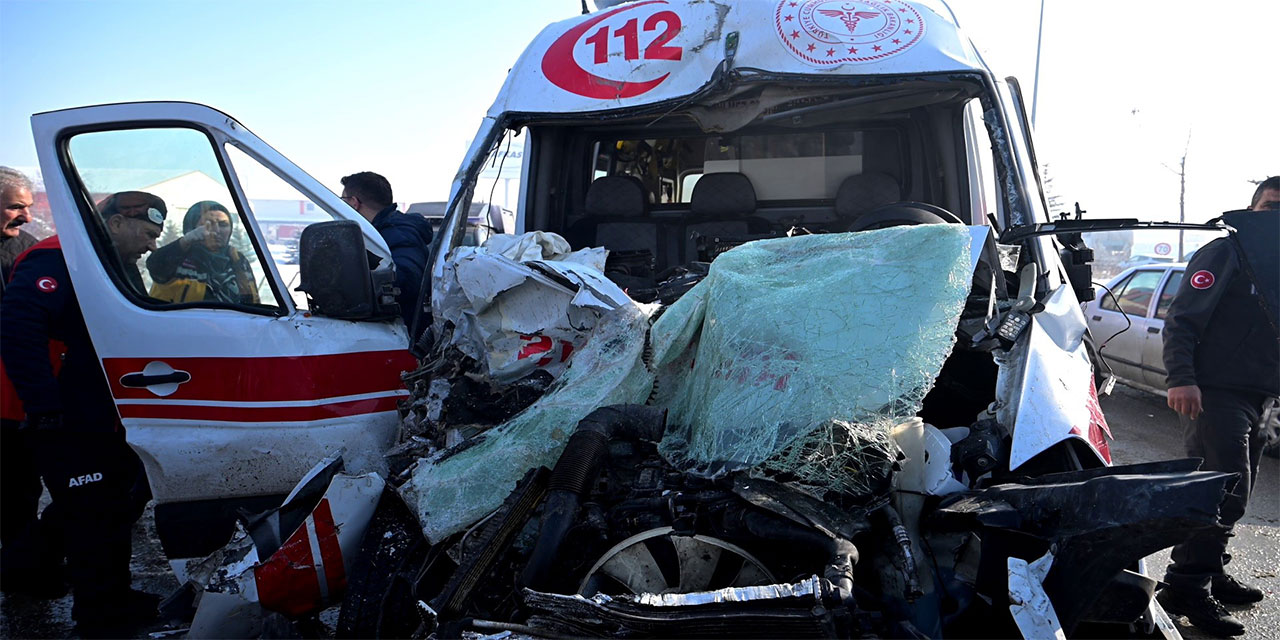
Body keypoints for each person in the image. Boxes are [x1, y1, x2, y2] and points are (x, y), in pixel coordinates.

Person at [0, 190, 166, 634]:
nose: (152, 245)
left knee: (100, 500)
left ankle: (24, 570)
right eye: (148, 234)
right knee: (94, 509)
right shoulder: (58, 257)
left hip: (90, 406)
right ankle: (101, 614)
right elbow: (19, 329)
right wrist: (44, 407)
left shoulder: (109, 262)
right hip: (50, 407)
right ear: (114, 224)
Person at [1158, 176, 1280, 637]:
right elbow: (1183, 318)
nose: (1277, 218)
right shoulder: (1227, 252)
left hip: (1261, 395)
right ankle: (1184, 586)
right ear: (1252, 209)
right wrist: (1182, 379)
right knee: (1222, 489)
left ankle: (1209, 570)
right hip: (1216, 392)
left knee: (1237, 495)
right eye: (1270, 207)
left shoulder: (1275, 264)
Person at [0, 166, 64, 598]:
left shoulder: (28, 251)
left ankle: (26, 570)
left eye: (28, 206)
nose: (25, 215)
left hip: (18, 392)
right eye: (15, 206)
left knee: (25, 489)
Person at [340, 171, 433, 327]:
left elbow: (407, 280)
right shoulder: (377, 234)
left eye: (343, 201)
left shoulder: (397, 233)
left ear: (354, 203)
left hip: (404, 335)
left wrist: (358, 284)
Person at [147, 200, 259, 304]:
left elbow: (252, 301)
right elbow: (155, 265)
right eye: (207, 225)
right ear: (191, 227)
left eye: (223, 225)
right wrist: (186, 240)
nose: (217, 230)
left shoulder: (237, 260)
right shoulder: (178, 256)